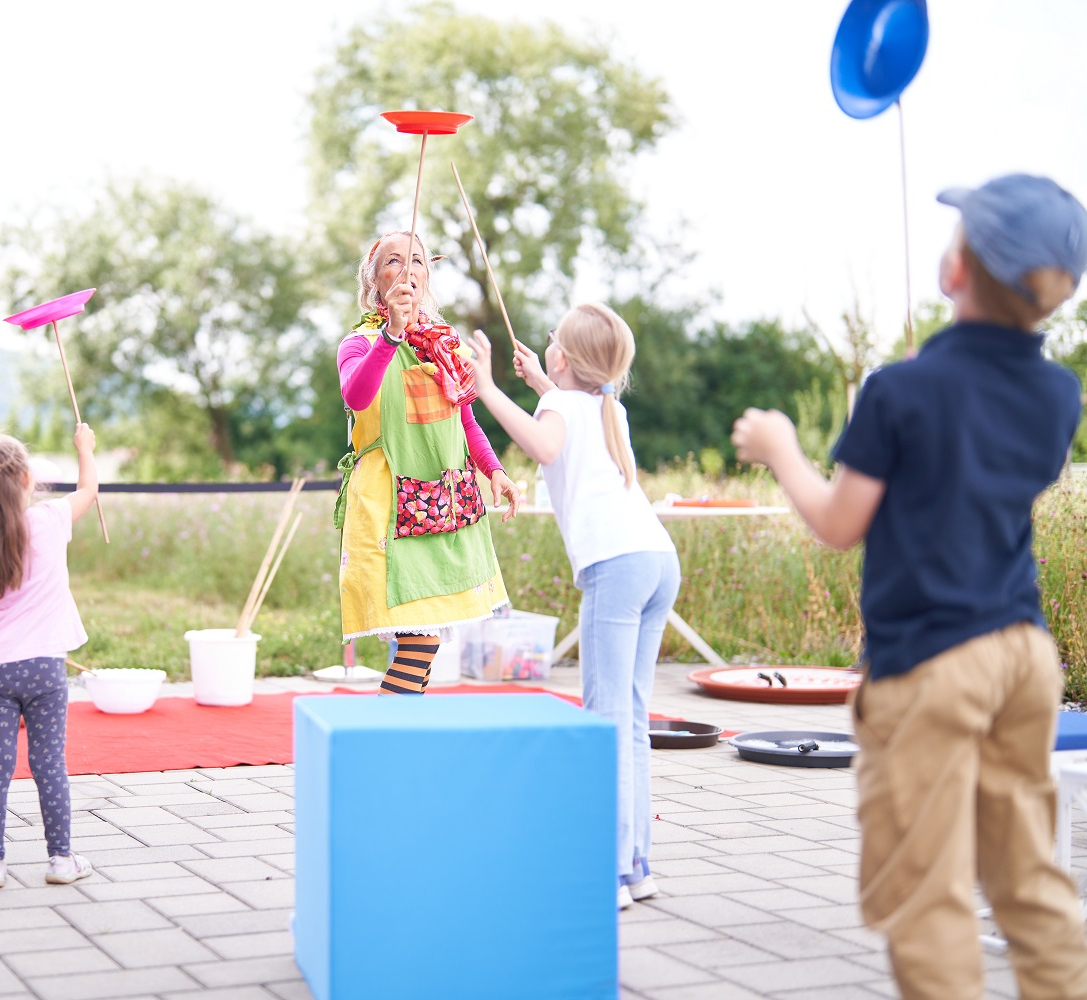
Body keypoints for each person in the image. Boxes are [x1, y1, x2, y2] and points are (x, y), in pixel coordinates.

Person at [732, 174, 1087, 999]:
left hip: (933, 663)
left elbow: (838, 522)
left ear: (954, 271)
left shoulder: (901, 389)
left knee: (923, 889)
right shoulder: (1058, 393)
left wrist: (781, 447)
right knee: (1027, 874)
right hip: (1023, 657)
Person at [466, 305, 679, 910]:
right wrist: (539, 384)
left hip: (617, 567)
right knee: (631, 719)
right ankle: (637, 865)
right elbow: (565, 424)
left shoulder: (562, 408)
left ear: (564, 358)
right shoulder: (608, 406)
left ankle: (609, 872)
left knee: (604, 717)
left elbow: (545, 445)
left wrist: (486, 389)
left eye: (553, 342)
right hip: (658, 561)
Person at [335, 231, 521, 694]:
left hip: (446, 503)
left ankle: (391, 740)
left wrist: (495, 470)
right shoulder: (358, 344)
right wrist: (391, 337)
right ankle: (384, 739)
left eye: (417, 261)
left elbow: (467, 422)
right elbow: (357, 396)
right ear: (376, 282)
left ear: (426, 277)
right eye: (394, 261)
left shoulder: (445, 347)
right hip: (388, 507)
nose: (407, 269)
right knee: (419, 640)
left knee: (424, 642)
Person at [0, 425, 99, 888]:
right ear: (27, 481)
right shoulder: (51, 520)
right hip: (46, 669)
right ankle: (60, 860)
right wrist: (84, 449)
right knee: (49, 763)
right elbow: (89, 489)